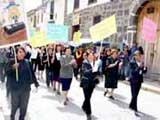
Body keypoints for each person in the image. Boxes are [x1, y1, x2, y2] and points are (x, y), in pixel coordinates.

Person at [6, 47, 39, 120]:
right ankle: (12, 117)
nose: (21, 54)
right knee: (14, 106)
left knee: (24, 106)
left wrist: (36, 83)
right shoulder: (12, 62)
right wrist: (13, 68)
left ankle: (21, 118)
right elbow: (7, 73)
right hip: (15, 89)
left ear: (25, 53)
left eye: (22, 52)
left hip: (26, 89)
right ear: (16, 53)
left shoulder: (28, 62)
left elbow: (32, 74)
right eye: (19, 52)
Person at [129, 50, 147, 116]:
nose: (139, 56)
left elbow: (143, 72)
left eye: (140, 55)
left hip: (139, 80)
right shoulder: (132, 62)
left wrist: (144, 68)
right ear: (135, 56)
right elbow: (133, 72)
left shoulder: (141, 62)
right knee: (134, 95)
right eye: (138, 55)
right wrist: (139, 67)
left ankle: (131, 105)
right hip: (133, 80)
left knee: (135, 94)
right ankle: (135, 109)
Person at [80, 52, 97, 120]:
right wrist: (92, 69)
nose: (91, 57)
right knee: (87, 98)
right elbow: (84, 72)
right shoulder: (84, 63)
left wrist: (97, 73)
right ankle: (88, 113)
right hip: (85, 82)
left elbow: (97, 73)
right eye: (89, 56)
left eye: (92, 56)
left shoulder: (95, 63)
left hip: (92, 83)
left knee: (88, 97)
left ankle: (84, 106)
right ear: (87, 57)